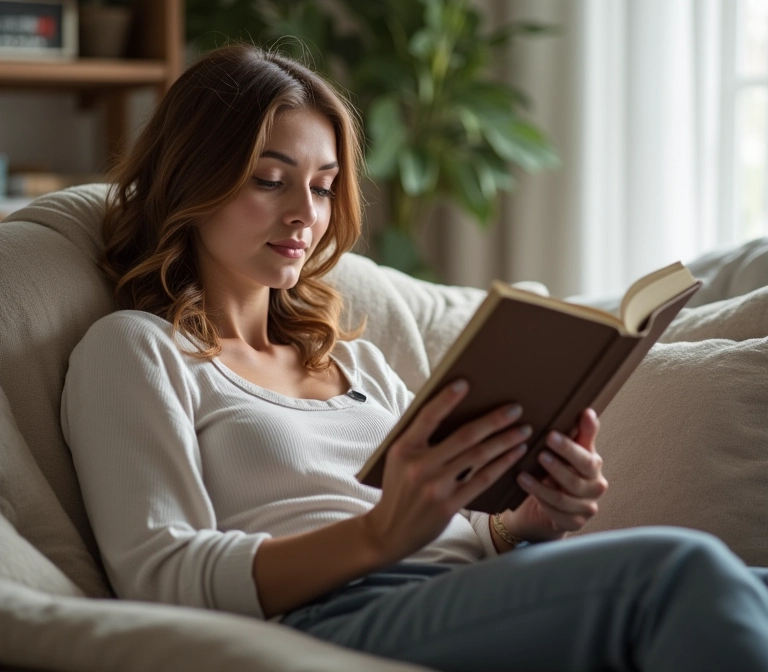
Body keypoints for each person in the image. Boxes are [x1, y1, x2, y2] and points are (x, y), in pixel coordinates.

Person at [61, 44, 768, 672]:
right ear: (190, 181)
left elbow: (453, 534)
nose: (305, 214)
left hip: (461, 592)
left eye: (324, 184)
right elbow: (161, 574)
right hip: (335, 618)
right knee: (682, 569)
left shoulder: (356, 364)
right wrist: (377, 534)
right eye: (269, 179)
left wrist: (523, 524)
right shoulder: (136, 350)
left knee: (754, 584)